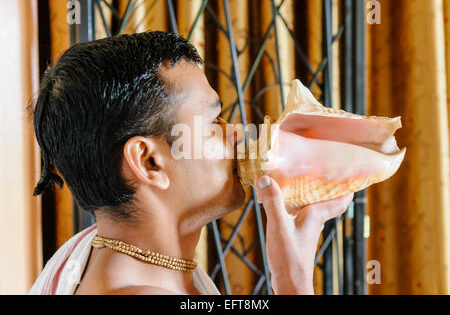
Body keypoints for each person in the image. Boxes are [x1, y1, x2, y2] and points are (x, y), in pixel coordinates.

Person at [27, 31, 353, 295]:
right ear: (149, 161)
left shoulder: (111, 255)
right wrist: (292, 280)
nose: (237, 133)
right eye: (214, 123)